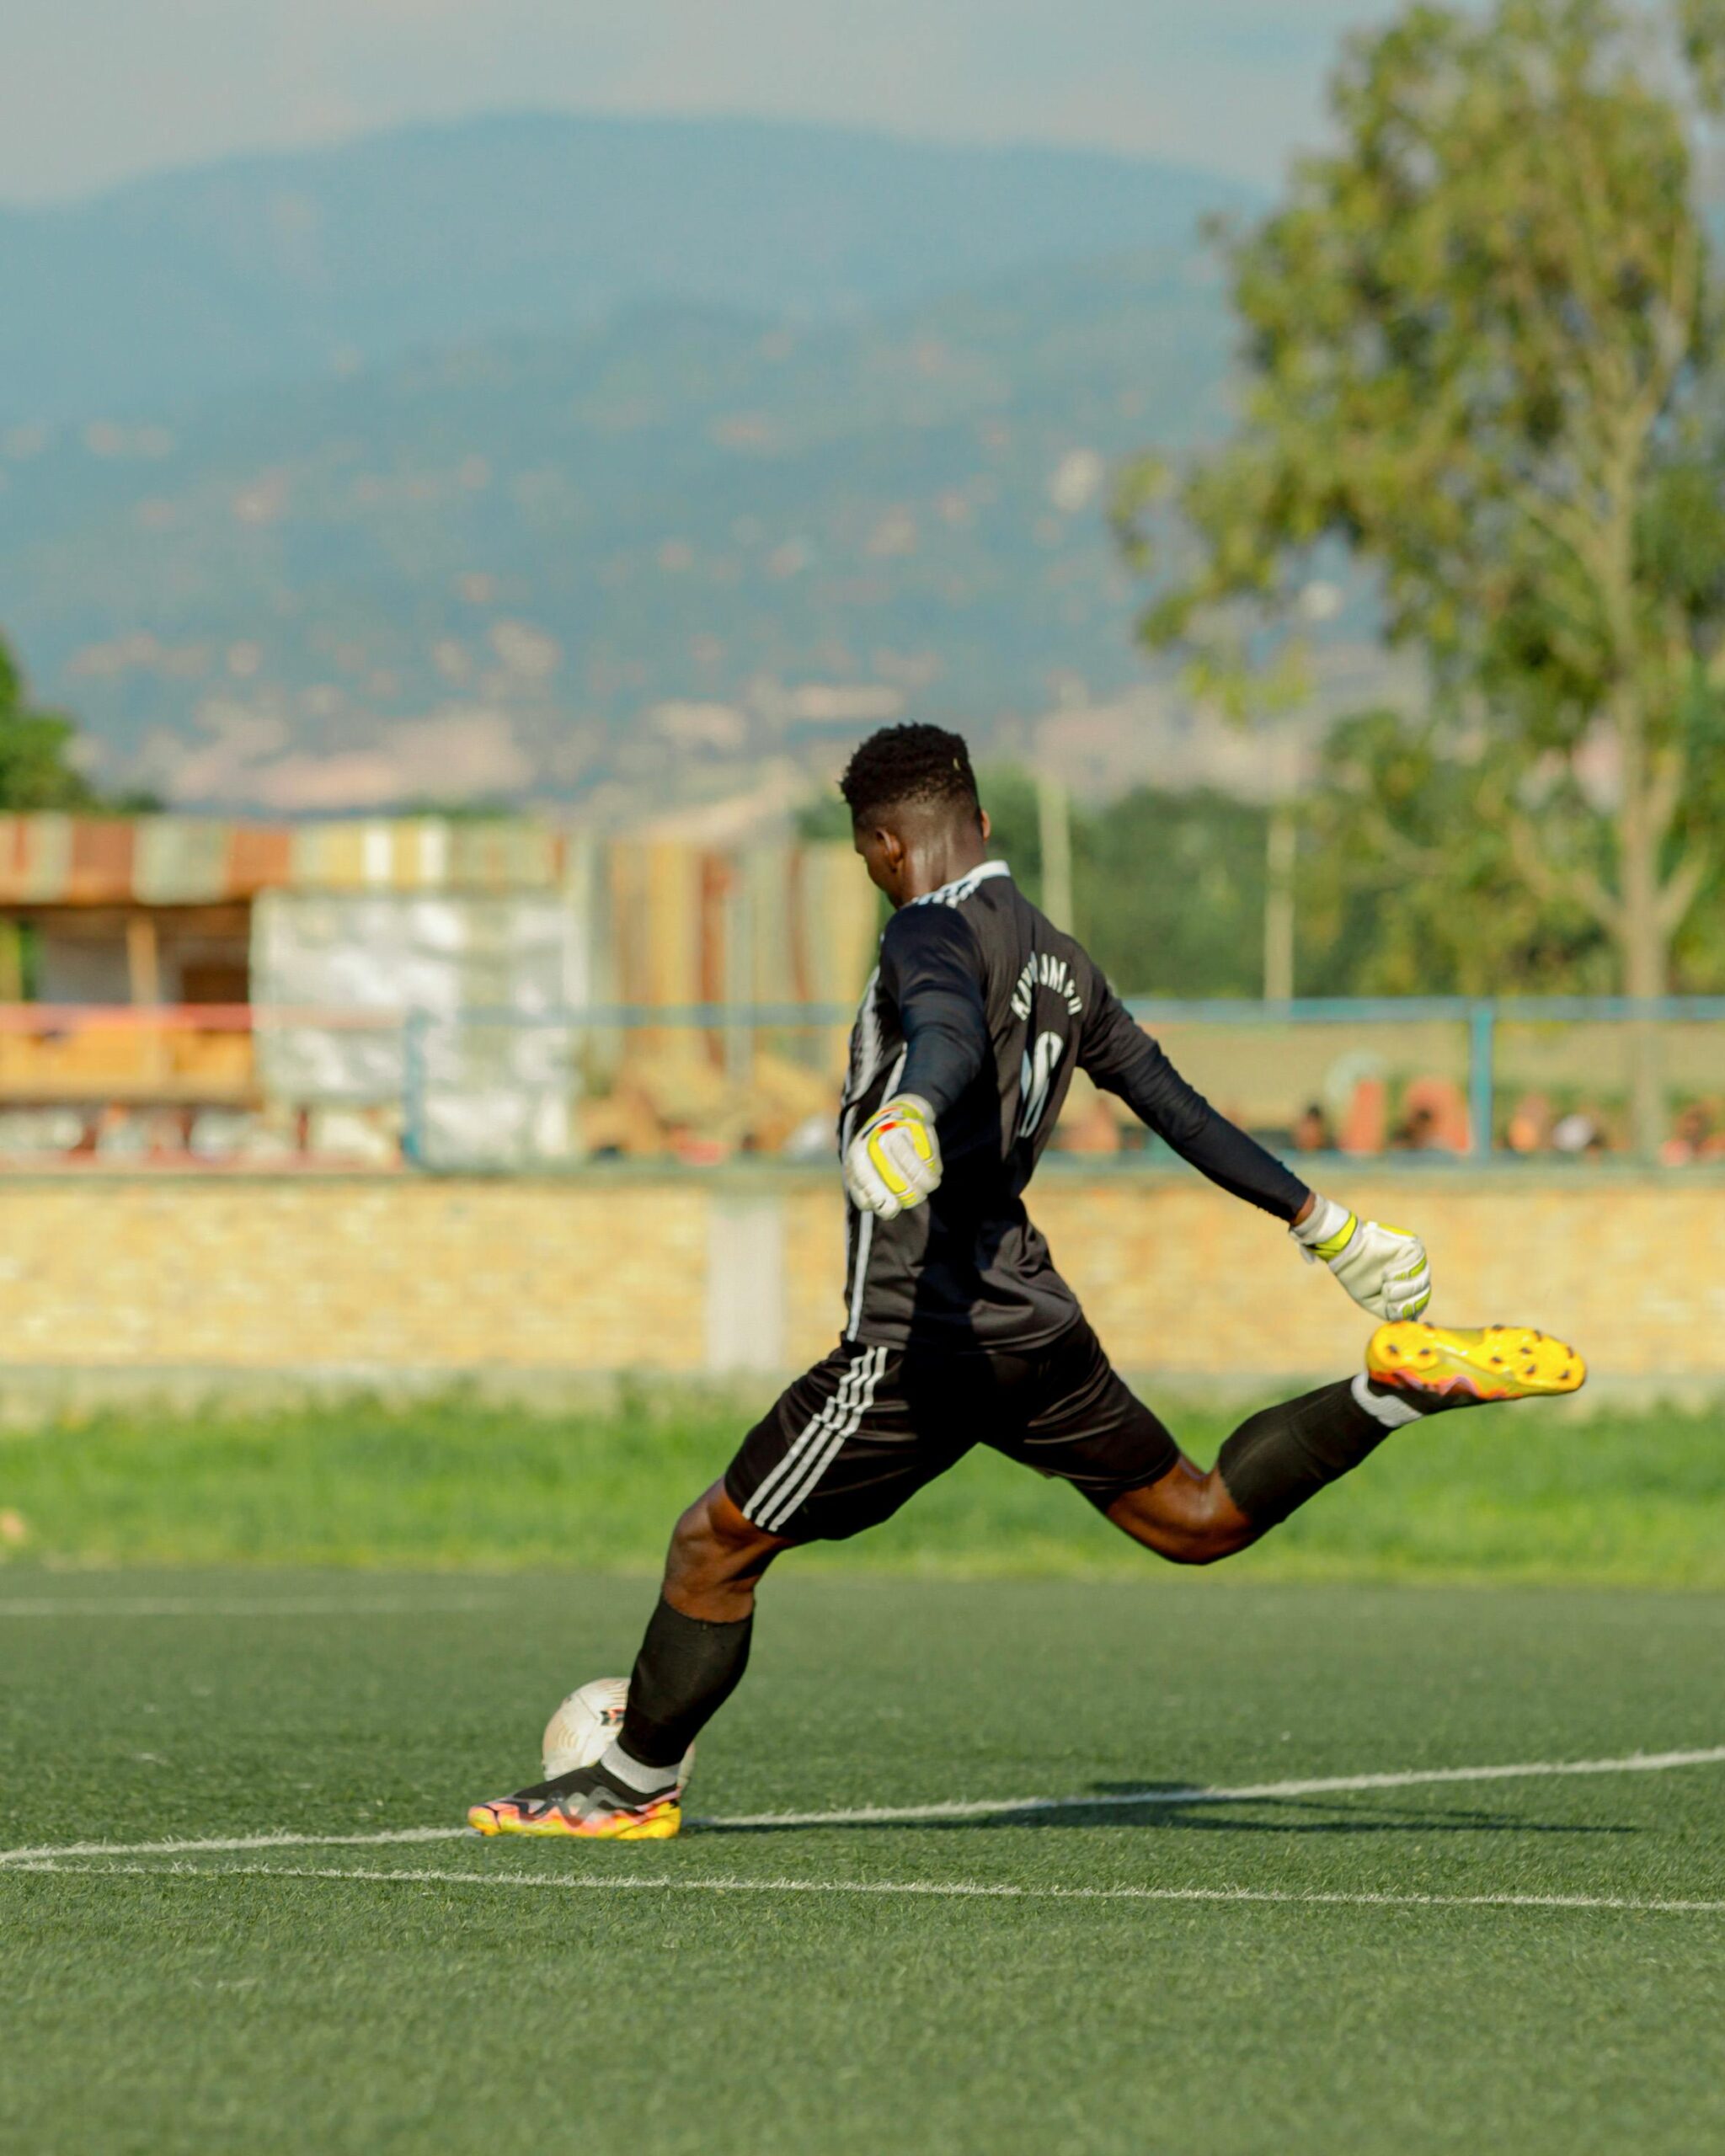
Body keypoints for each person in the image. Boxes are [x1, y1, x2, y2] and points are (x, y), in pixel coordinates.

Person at [469, 725, 1585, 1843]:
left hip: (920, 1343)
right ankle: (1390, 1391)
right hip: (1033, 1327)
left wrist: (911, 1108)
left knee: (714, 1544)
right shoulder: (1061, 955)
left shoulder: (924, 928)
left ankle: (628, 1787)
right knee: (1195, 1516)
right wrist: (1325, 1224)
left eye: (868, 858)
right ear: (984, 822)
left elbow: (946, 1027)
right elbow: (1176, 1107)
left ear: (881, 847)